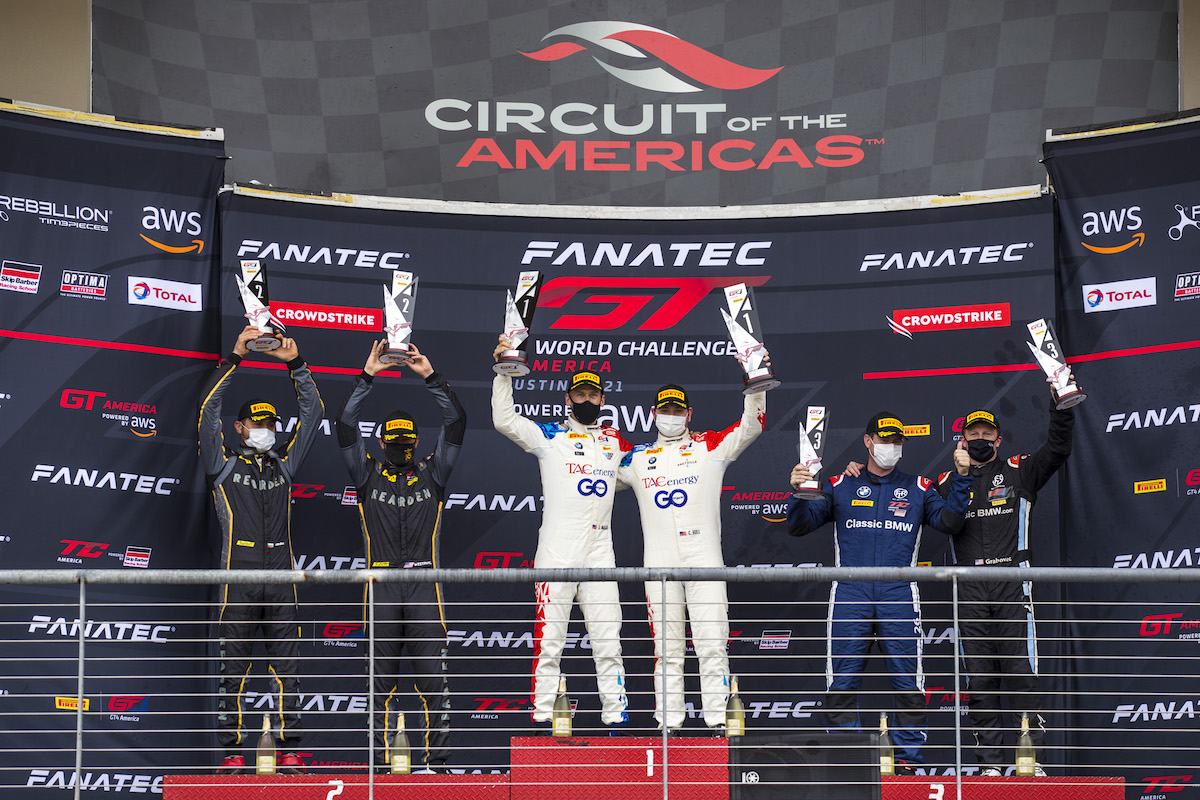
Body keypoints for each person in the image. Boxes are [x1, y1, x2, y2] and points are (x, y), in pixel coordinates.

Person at [786, 412, 970, 773]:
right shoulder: (842, 483)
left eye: (897, 440)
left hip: (899, 596)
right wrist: (798, 491)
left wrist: (962, 479)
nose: (891, 446)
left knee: (910, 687)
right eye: (884, 439)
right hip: (850, 596)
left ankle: (908, 766)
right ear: (868, 442)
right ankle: (850, 762)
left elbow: (950, 522)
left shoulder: (918, 487)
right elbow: (799, 526)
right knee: (840, 686)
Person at [197, 325, 324, 774]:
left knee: (288, 670)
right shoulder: (223, 461)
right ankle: (232, 752)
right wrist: (235, 355)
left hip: (282, 579)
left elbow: (313, 414)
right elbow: (206, 410)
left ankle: (289, 749)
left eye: (270, 424)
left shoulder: (284, 465)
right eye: (257, 423)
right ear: (240, 427)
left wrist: (296, 365)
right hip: (239, 577)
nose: (265, 430)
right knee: (233, 671)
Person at [336, 340, 466, 773]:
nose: (399, 445)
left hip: (426, 586)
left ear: (415, 441)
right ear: (381, 440)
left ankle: (439, 767)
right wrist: (368, 374)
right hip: (381, 587)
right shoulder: (366, 474)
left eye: (406, 439)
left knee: (435, 683)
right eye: (392, 439)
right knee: (378, 686)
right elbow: (344, 423)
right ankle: (377, 768)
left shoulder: (435, 472)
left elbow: (457, 420)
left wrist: (429, 375)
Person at [491, 337, 631, 731]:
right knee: (549, 642)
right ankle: (540, 719)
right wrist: (503, 371)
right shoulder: (549, 436)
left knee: (608, 641)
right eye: (579, 393)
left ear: (603, 400)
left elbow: (642, 476)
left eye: (593, 393)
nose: (586, 399)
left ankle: (614, 719)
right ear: (568, 400)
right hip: (557, 552)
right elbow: (504, 420)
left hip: (601, 552)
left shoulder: (616, 442)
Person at [936, 394, 1073, 777]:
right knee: (980, 682)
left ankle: (1029, 763)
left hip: (1014, 585)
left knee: (1023, 677)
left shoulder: (1019, 471)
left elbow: (1059, 447)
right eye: (973, 433)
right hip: (969, 589)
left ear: (998, 440)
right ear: (961, 440)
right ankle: (990, 768)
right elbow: (935, 519)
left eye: (987, 433)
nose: (980, 438)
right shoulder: (945, 483)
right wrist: (855, 473)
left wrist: (1060, 403)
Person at [618, 381, 765, 734]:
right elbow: (595, 469)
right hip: (659, 564)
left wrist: (756, 380)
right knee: (667, 652)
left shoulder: (709, 446)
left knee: (712, 645)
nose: (671, 417)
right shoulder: (636, 458)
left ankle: (717, 723)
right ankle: (668, 726)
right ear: (653, 414)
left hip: (705, 562)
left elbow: (752, 424)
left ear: (689, 414)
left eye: (677, 410)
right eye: (665, 411)